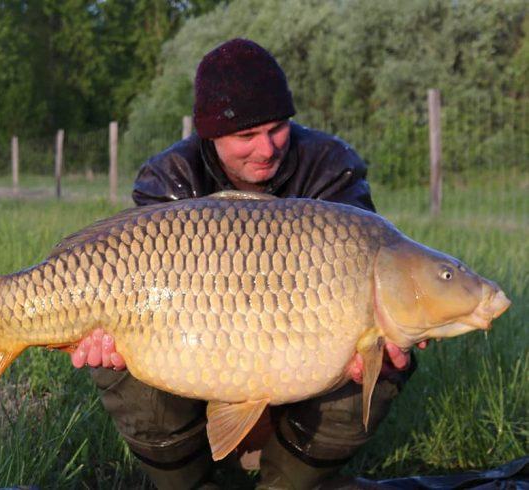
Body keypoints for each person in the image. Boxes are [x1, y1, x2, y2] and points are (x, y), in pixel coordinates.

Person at [71, 39, 425, 489]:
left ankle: (283, 482)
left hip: (301, 363)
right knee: (116, 359)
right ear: (210, 134)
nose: (266, 149)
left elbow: (374, 267)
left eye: (277, 128)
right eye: (245, 136)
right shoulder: (170, 179)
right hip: (196, 358)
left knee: (386, 356)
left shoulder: (330, 168)